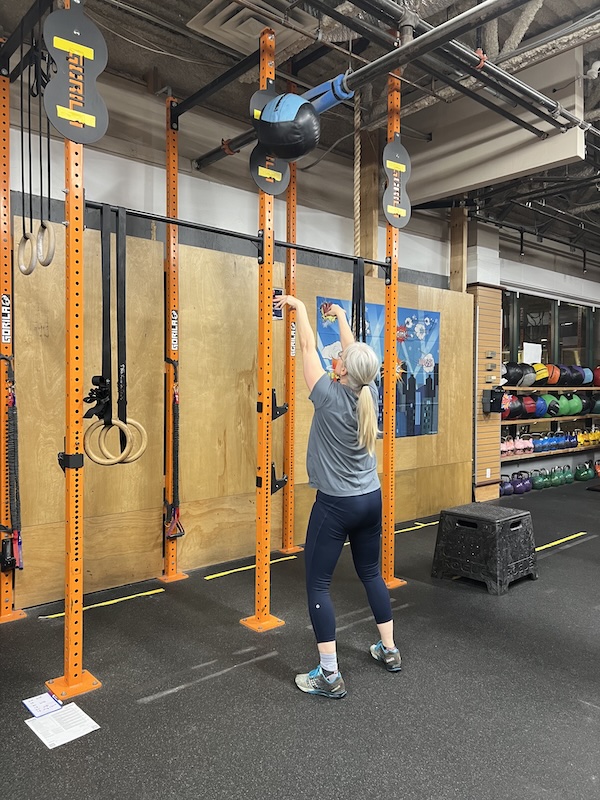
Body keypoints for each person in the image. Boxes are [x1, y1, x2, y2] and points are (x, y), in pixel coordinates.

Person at [274, 294, 401, 700]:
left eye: (343, 359)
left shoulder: (328, 396)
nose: (340, 358)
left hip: (336, 505)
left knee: (318, 585)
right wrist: (342, 316)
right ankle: (389, 649)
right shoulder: (370, 393)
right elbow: (354, 356)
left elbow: (308, 347)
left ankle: (328, 675)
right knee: (371, 574)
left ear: (343, 369)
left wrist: (300, 310)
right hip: (371, 499)